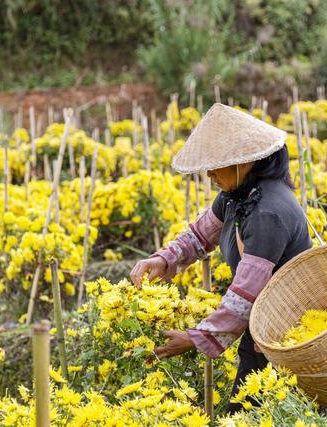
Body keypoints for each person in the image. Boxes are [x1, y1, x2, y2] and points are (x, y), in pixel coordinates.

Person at [129, 103, 312, 414]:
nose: (210, 173)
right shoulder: (238, 195)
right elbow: (200, 235)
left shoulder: (267, 211)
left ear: (247, 161)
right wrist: (163, 260)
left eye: (218, 164)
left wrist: (193, 338)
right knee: (248, 412)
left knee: (262, 413)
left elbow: (245, 296)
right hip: (262, 331)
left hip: (287, 337)